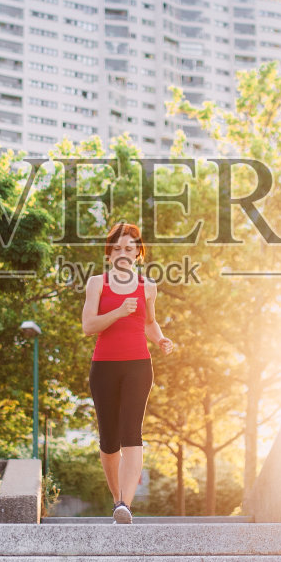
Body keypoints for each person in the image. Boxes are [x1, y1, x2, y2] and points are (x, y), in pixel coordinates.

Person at [80, 221, 175, 524]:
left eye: (129, 248)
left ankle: (125, 504)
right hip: (104, 366)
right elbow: (88, 326)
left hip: (138, 365)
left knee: (131, 434)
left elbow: (148, 323)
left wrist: (160, 338)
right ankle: (117, 498)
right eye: (117, 248)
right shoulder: (97, 283)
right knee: (109, 441)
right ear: (109, 255)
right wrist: (119, 311)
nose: (123, 252)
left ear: (138, 253)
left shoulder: (148, 286)